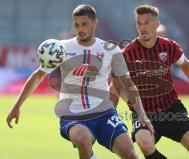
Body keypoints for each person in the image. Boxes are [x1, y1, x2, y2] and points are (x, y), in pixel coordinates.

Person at [6, 4, 154, 159]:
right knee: (82, 139)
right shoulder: (62, 49)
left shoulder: (111, 50)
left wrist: (142, 114)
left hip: (105, 114)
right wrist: (17, 106)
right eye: (76, 24)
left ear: (95, 23)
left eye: (84, 24)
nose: (80, 29)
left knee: (131, 155)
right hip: (73, 116)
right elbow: (37, 76)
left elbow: (128, 83)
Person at [110, 4, 189, 159]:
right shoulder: (127, 53)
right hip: (144, 113)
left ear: (157, 24)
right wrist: (118, 109)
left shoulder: (169, 46)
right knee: (144, 143)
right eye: (139, 23)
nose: (143, 27)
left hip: (171, 109)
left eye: (147, 22)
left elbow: (186, 65)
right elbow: (116, 86)